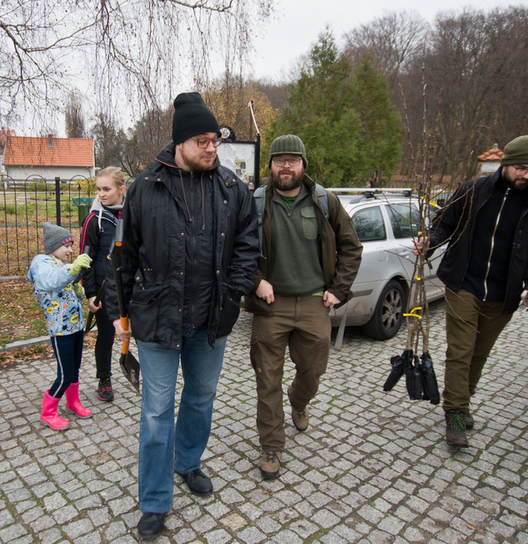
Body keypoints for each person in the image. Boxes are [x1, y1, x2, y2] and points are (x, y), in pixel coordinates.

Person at [106, 92, 259, 539]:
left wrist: (233, 293)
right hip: (156, 319)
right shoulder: (143, 189)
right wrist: (118, 312)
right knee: (156, 412)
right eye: (202, 140)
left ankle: (188, 461)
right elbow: (123, 255)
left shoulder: (232, 190)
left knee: (200, 398)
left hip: (211, 319)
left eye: (214, 139)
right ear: (180, 143)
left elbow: (249, 246)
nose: (212, 147)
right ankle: (154, 502)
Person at [413, 135, 528, 448]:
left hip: (504, 293)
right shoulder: (471, 190)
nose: (526, 176)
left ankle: (463, 401)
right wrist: (429, 243)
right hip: (464, 283)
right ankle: (456, 415)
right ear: (505, 164)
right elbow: (444, 224)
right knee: (460, 351)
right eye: (521, 168)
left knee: (479, 353)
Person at [244, 134, 363, 480]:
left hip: (314, 302)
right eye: (279, 160)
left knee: (313, 370)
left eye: (292, 160)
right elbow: (237, 250)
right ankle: (271, 445)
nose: (285, 166)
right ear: (270, 165)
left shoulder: (325, 201)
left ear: (303, 165)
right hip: (271, 304)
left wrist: (338, 289)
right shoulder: (255, 203)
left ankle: (299, 401)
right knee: (267, 379)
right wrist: (255, 281)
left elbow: (352, 247)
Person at [28, 223, 94, 430]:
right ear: (53, 246)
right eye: (66, 245)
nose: (70, 250)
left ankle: (72, 403)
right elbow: (51, 281)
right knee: (65, 374)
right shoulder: (42, 264)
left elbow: (68, 291)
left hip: (75, 327)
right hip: (60, 331)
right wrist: (71, 269)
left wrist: (77, 287)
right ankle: (48, 412)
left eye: (72, 245)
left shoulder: (59, 266)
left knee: (74, 368)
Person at [80, 167, 126, 402]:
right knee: (106, 336)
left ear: (121, 189)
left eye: (106, 189)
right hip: (103, 289)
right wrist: (90, 295)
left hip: (129, 288)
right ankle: (104, 378)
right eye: (98, 189)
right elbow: (85, 260)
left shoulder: (131, 214)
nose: (102, 194)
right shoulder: (93, 219)